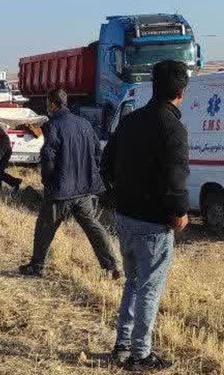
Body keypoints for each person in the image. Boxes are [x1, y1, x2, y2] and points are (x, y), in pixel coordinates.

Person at [101, 60, 190, 371]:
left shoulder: (130, 121)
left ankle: (122, 346)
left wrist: (122, 193)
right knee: (149, 288)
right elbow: (176, 178)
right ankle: (141, 354)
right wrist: (179, 211)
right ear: (181, 91)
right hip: (154, 224)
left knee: (133, 283)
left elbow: (106, 164)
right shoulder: (173, 128)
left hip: (125, 217)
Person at [19, 88, 120, 279]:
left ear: (53, 104)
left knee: (45, 227)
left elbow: (48, 156)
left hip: (61, 190)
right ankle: (111, 266)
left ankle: (37, 266)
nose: (47, 107)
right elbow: (97, 152)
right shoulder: (84, 124)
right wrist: (89, 174)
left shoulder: (53, 125)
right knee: (93, 227)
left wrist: (47, 180)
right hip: (84, 189)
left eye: (48, 103)